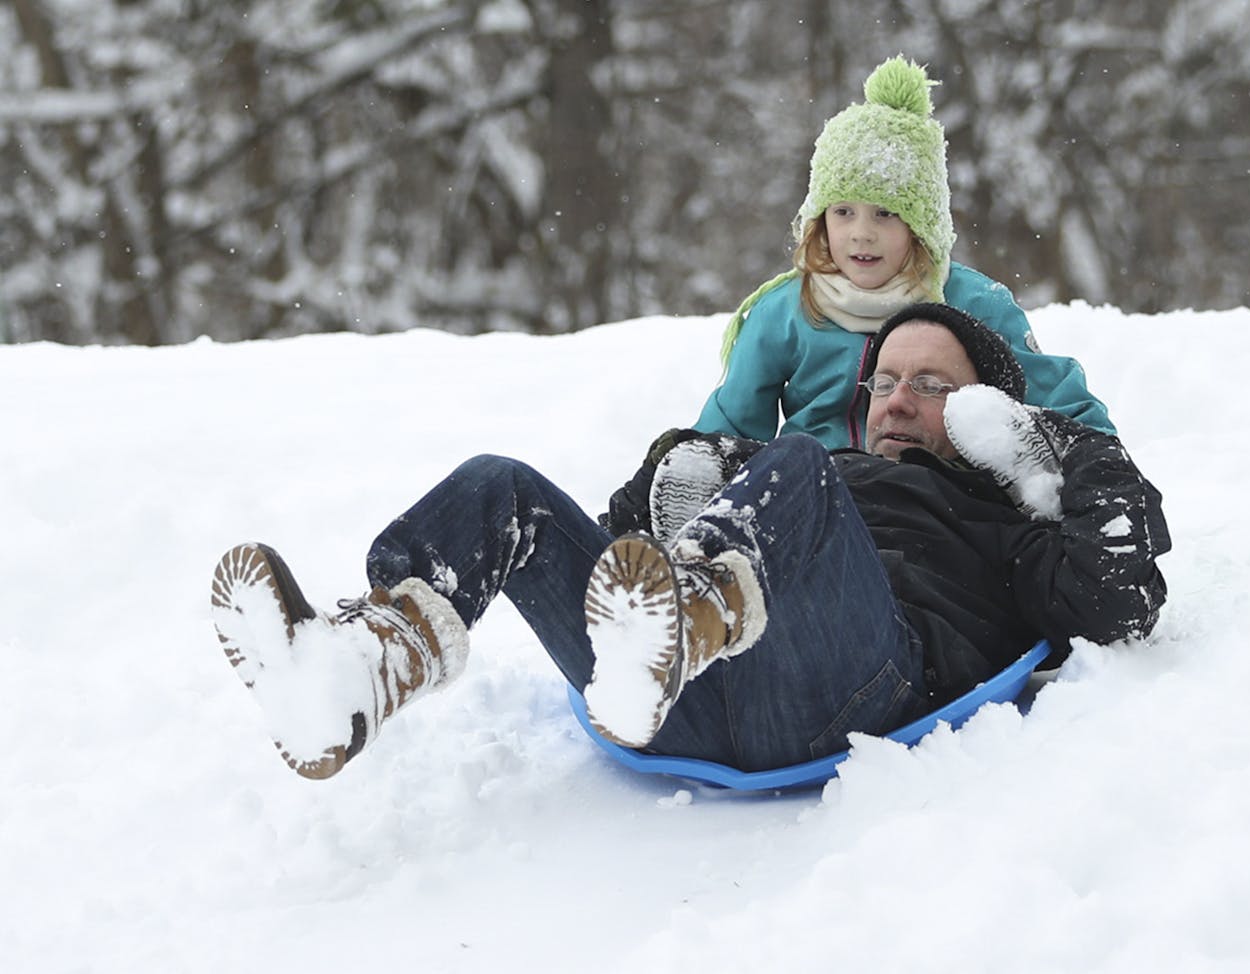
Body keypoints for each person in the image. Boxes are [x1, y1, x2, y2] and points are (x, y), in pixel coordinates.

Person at [210, 303, 1168, 780]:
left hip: (856, 679)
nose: (897, 400)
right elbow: (615, 551)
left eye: (934, 385)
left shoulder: (1005, 523)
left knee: (796, 466)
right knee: (503, 487)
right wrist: (678, 469)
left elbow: (1119, 598)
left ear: (992, 415)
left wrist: (1061, 451)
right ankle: (365, 668)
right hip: (668, 693)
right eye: (883, 383)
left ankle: (698, 613)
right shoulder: (816, 467)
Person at [695, 55, 1115, 450]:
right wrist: (708, 457)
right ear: (819, 220)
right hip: (820, 490)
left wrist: (1093, 458)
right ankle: (653, 516)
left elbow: (1054, 399)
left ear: (921, 228)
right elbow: (731, 425)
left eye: (885, 214)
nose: (861, 234)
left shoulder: (972, 303)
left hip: (935, 493)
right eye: (843, 212)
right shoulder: (786, 311)